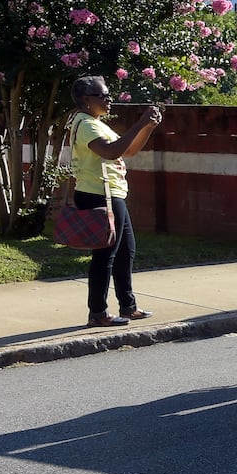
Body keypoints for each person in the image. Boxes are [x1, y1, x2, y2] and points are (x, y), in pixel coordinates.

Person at [68, 76, 162, 327]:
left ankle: (128, 306)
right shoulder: (86, 124)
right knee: (105, 255)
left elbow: (127, 151)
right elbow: (110, 152)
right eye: (103, 95)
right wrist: (140, 121)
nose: (109, 99)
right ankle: (97, 313)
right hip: (99, 193)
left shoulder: (96, 123)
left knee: (125, 251)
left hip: (112, 193)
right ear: (87, 100)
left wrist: (147, 128)